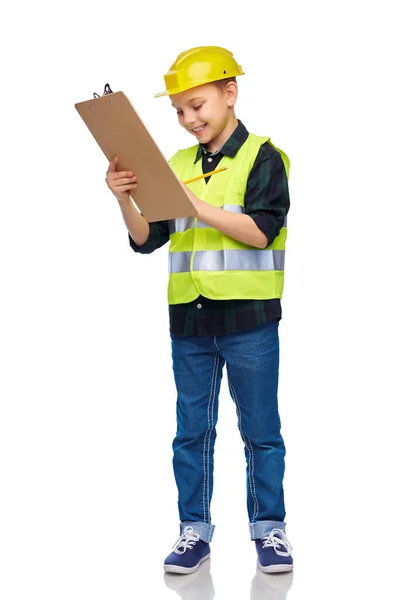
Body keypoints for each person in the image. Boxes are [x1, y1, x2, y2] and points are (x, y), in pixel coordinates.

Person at [105, 46, 293, 575]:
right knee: (192, 433)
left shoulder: (264, 157)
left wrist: (197, 207)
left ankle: (270, 529)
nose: (189, 120)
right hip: (189, 322)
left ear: (229, 93)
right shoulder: (178, 164)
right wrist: (125, 200)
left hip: (249, 321)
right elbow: (149, 240)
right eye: (180, 112)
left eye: (197, 105)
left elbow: (261, 232)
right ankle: (194, 532)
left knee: (260, 430)